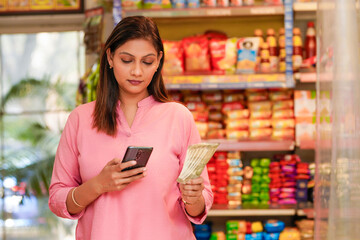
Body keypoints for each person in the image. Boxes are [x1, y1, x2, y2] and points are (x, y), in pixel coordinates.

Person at [48, 16, 213, 240]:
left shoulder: (179, 117)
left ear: (158, 62)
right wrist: (97, 185)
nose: (137, 71)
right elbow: (57, 199)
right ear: (110, 57)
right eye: (127, 60)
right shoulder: (80, 119)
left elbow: (200, 205)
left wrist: (194, 198)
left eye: (147, 62)